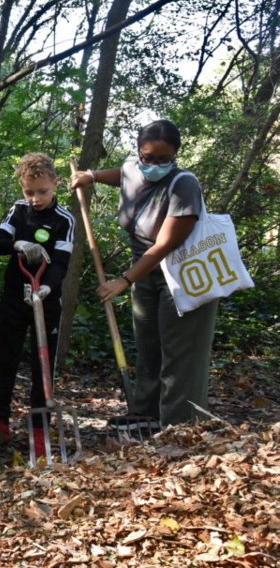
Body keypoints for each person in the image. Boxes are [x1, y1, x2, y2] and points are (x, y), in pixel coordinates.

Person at [70, 119, 218, 428]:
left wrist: (124, 280)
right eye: (147, 157)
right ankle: (145, 415)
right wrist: (92, 176)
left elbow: (165, 244)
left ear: (175, 154)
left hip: (183, 276)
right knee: (148, 348)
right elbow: (125, 177)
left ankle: (181, 427)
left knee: (180, 355)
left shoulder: (184, 185)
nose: (152, 164)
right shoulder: (134, 167)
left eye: (163, 159)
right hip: (146, 277)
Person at [0, 153, 75, 460]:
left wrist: (48, 287)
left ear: (55, 185)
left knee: (41, 363)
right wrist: (18, 244)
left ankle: (39, 425)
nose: (35, 199)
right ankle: (0, 421)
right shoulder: (19, 211)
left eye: (42, 192)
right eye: (29, 192)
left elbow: (60, 263)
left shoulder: (64, 220)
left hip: (45, 302)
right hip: (14, 298)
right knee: (7, 358)